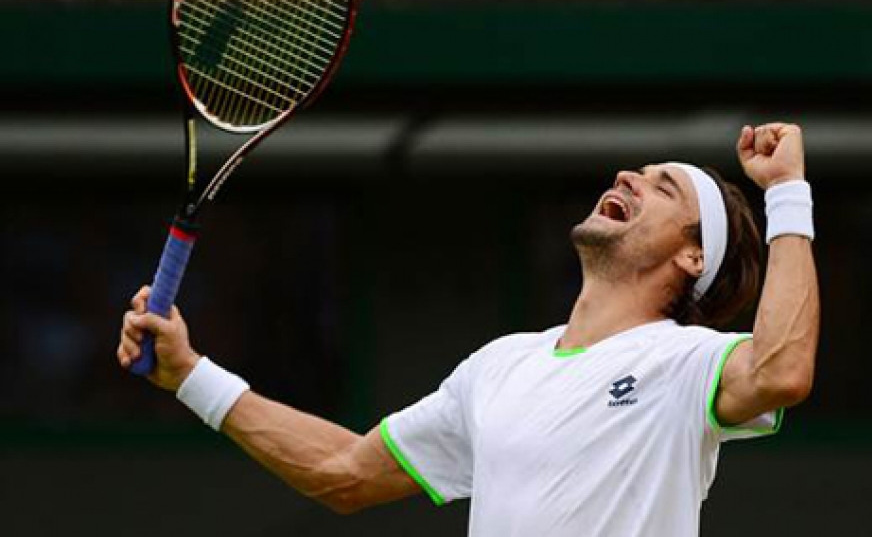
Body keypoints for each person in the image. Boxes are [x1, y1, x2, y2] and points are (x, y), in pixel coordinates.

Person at [117, 122, 819, 536]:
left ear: (692, 255)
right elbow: (343, 473)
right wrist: (190, 375)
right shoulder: (499, 367)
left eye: (663, 187)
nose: (630, 176)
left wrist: (786, 190)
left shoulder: (684, 364)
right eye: (638, 170)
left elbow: (782, 369)